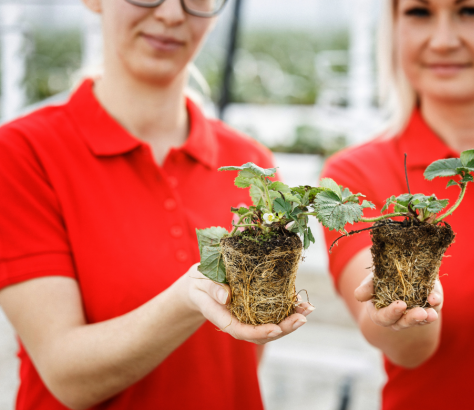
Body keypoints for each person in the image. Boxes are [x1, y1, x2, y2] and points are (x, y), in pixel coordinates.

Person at [0, 0, 313, 409]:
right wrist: (188, 297)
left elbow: (243, 352)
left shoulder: (249, 166)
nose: (170, 14)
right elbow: (67, 376)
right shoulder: (23, 154)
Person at [321, 0, 474, 409]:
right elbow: (403, 347)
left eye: (471, 11)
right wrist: (403, 308)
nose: (442, 41)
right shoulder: (356, 176)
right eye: (419, 12)